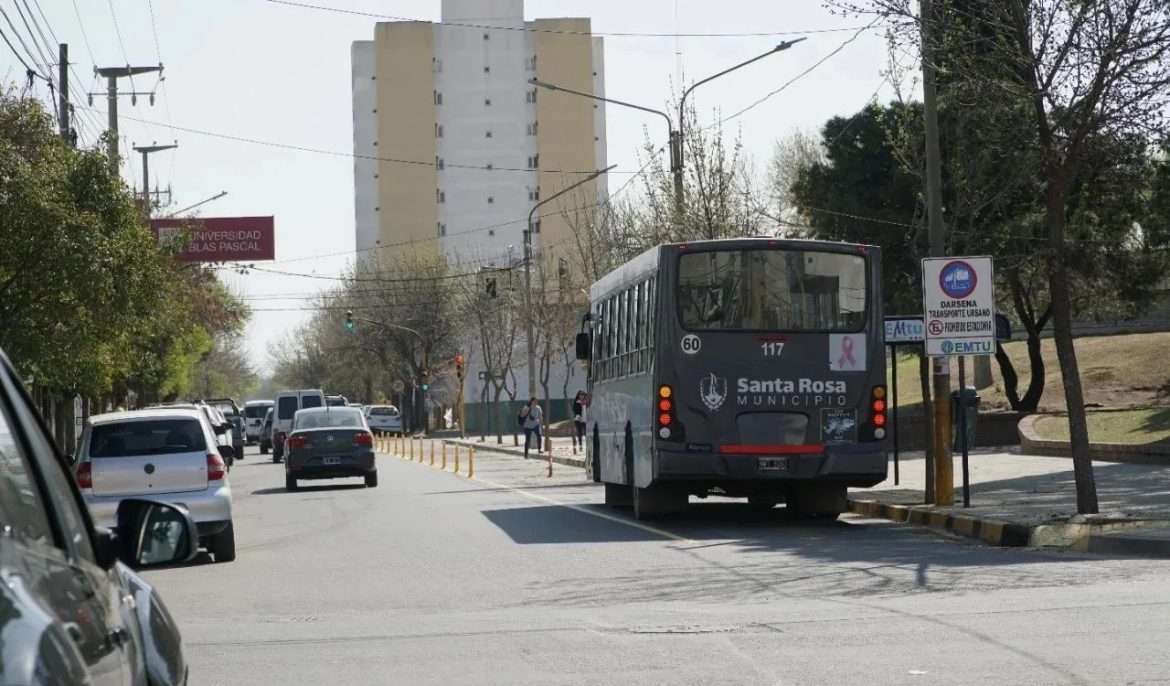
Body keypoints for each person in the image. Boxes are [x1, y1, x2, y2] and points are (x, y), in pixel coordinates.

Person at [571, 390, 587, 454]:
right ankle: (580, 446)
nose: (582, 396)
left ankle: (588, 445)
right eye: (580, 395)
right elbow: (575, 411)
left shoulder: (586, 402)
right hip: (578, 420)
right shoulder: (577, 402)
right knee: (580, 433)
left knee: (586, 433)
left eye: (583, 394)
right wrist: (579, 416)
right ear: (578, 395)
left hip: (585, 419)